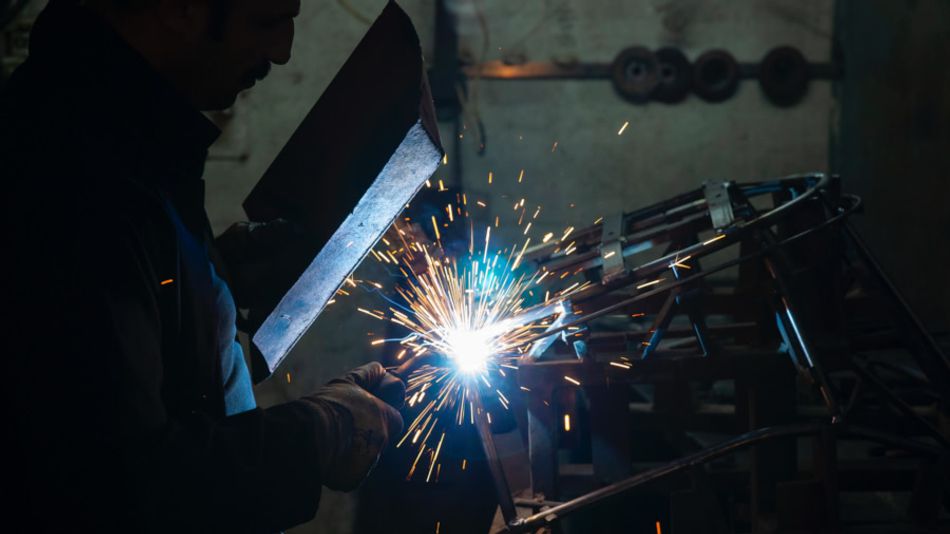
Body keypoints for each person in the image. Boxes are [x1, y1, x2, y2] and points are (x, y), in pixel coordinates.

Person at [0, 0, 405, 532]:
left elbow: (124, 340)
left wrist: (212, 284)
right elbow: (121, 489)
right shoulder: (71, 176)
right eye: (267, 20)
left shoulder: (129, 141)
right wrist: (316, 432)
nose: (282, 52)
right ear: (179, 8)